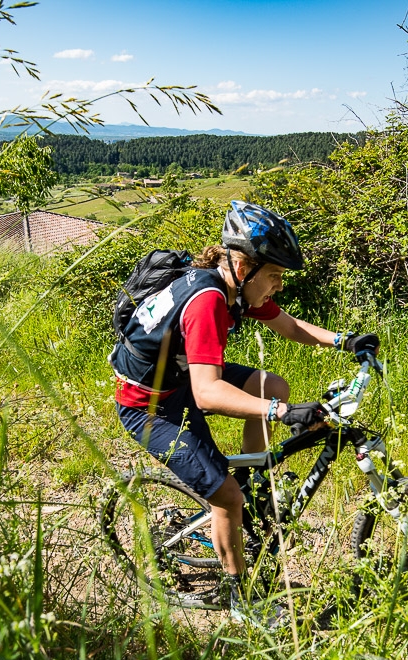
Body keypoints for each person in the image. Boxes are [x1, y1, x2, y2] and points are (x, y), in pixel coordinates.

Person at [110, 201, 379, 624]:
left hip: (180, 380)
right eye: (274, 275)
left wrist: (347, 341)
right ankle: (241, 601)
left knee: (272, 384)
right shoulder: (208, 302)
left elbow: (289, 325)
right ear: (243, 265)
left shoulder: (235, 288)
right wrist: (281, 412)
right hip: (151, 409)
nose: (279, 286)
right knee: (227, 498)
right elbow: (209, 394)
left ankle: (250, 478)